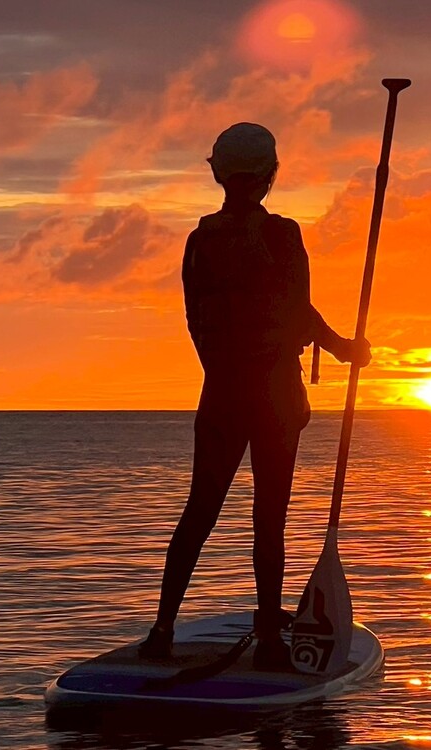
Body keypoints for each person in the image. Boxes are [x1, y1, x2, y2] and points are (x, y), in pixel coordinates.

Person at [139, 123, 370, 670]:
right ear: (269, 177)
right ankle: (269, 638)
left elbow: (197, 321)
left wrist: (226, 371)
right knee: (270, 517)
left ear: (219, 173)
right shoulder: (283, 236)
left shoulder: (199, 243)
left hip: (220, 393)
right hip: (274, 398)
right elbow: (298, 312)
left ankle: (162, 629)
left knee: (199, 511)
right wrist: (342, 348)